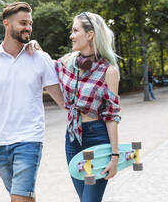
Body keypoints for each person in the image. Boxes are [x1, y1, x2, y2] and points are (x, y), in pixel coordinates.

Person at [0, 2, 64, 202]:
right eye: (22, 23)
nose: (28, 27)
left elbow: (63, 100)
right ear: (7, 24)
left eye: (30, 23)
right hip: (1, 143)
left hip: (30, 139)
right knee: (25, 197)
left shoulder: (40, 57)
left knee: (18, 198)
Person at [28, 12, 121, 202]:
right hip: (72, 138)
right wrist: (36, 47)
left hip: (97, 138)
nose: (71, 35)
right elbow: (46, 69)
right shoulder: (68, 61)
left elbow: (112, 117)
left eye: (75, 30)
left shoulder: (109, 72)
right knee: (84, 198)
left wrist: (114, 156)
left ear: (90, 35)